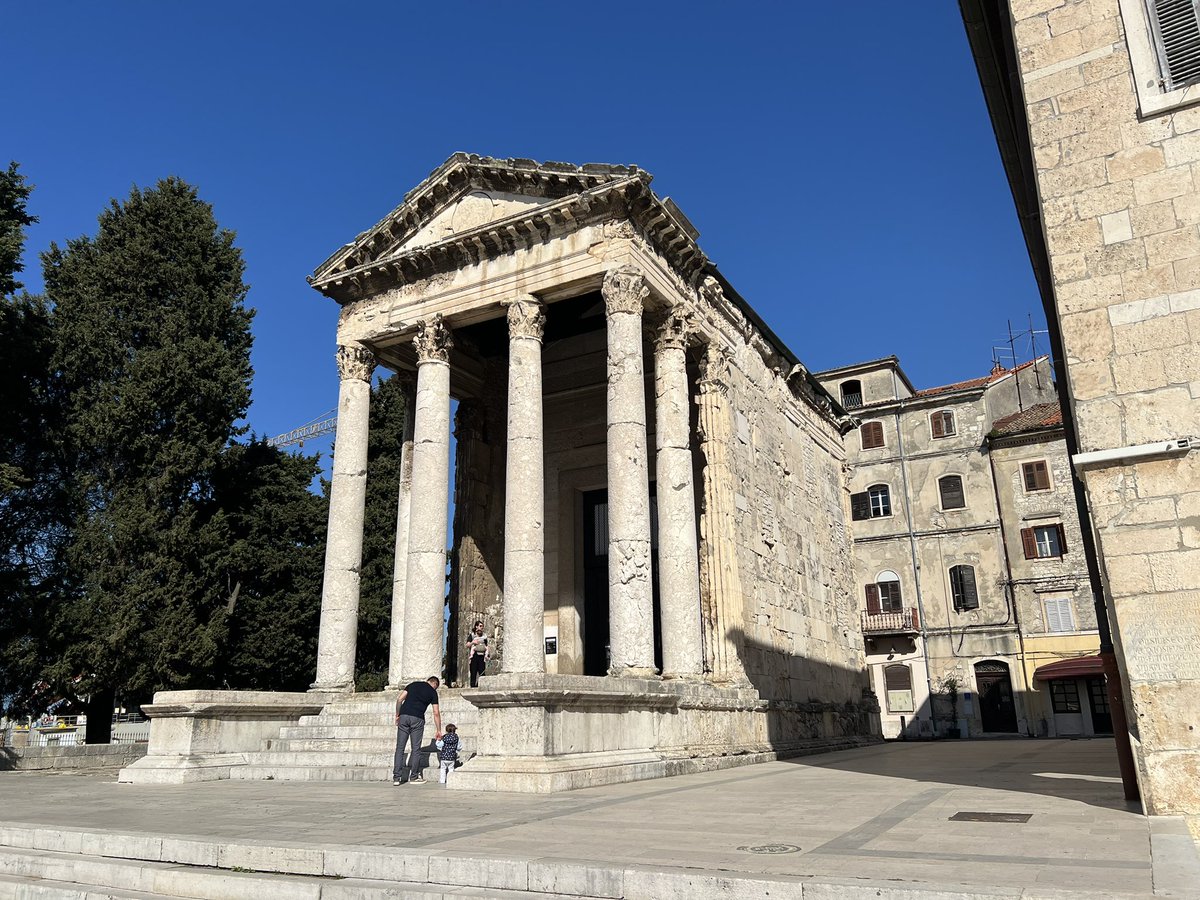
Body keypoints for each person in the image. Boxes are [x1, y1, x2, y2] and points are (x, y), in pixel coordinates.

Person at [393, 676, 441, 785]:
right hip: (417, 718)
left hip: (404, 716)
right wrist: (438, 730)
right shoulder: (432, 692)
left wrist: (397, 714)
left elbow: (400, 699)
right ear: (435, 685)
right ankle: (414, 776)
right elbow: (436, 712)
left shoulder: (412, 685)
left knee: (400, 747)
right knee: (416, 748)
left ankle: (397, 778)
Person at [465, 621, 490, 688]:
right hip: (474, 656)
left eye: (482, 626)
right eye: (480, 626)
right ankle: (473, 686)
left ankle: (479, 686)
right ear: (476, 626)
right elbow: (467, 645)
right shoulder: (472, 635)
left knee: (482, 673)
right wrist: (473, 642)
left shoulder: (484, 636)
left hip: (482, 656)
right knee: (473, 672)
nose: (481, 628)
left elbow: (487, 646)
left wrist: (487, 654)